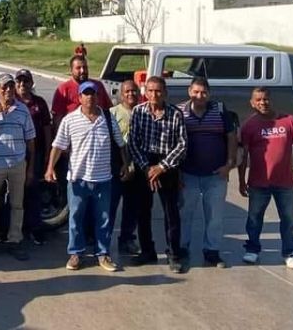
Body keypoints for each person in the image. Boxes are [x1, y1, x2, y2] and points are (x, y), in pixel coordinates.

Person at [45, 81, 129, 273]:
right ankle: (75, 253)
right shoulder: (69, 120)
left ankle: (103, 254)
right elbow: (58, 146)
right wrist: (50, 168)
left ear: (98, 97)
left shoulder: (107, 118)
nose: (90, 97)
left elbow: (120, 144)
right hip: (78, 180)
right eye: (86, 94)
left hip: (103, 180)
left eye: (93, 93)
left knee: (103, 219)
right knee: (76, 218)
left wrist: (125, 164)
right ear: (79, 98)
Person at [238, 86, 293, 270]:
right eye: (258, 100)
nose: (263, 103)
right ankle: (252, 249)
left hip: (285, 183)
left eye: (266, 99)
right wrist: (241, 180)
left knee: (288, 220)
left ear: (271, 99)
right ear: (252, 103)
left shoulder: (289, 121)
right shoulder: (249, 126)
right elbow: (243, 156)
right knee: (254, 218)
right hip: (258, 183)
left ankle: (290, 253)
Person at [127, 76, 187, 271]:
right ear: (145, 92)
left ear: (165, 93)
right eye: (151, 91)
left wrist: (162, 167)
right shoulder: (138, 111)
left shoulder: (175, 114)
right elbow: (133, 142)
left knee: (171, 212)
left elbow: (182, 144)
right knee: (142, 211)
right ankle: (147, 251)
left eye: (158, 91)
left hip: (167, 165)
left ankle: (173, 253)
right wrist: (146, 168)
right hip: (144, 163)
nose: (154, 95)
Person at [178, 78, 238, 269]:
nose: (199, 96)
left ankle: (212, 252)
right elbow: (174, 141)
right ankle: (182, 249)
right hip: (188, 174)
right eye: (196, 92)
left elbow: (231, 137)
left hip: (216, 175)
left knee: (215, 216)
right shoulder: (179, 112)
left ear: (209, 93)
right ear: (189, 91)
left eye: (203, 92)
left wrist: (229, 164)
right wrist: (177, 172)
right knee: (185, 214)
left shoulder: (220, 110)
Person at [0, 73, 35, 262]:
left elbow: (30, 140)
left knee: (17, 205)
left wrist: (31, 167)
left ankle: (14, 240)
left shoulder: (23, 110)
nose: (8, 90)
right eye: (4, 87)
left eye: (11, 86)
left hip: (18, 163)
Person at [12, 69, 51, 245]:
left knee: (33, 191)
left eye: (25, 81)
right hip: (16, 153)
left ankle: (35, 229)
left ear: (31, 83)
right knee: (15, 194)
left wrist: (49, 152)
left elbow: (46, 128)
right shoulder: (12, 101)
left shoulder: (39, 103)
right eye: (19, 81)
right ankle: (16, 230)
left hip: (36, 152)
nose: (22, 84)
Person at [108, 79, 140, 257]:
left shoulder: (144, 112)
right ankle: (103, 241)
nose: (130, 94)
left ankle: (127, 239)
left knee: (132, 208)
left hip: (137, 169)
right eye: (127, 91)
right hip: (117, 170)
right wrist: (121, 165)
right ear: (121, 94)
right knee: (110, 207)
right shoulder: (112, 113)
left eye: (134, 91)